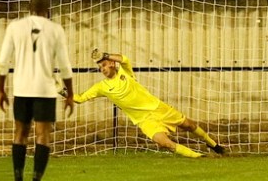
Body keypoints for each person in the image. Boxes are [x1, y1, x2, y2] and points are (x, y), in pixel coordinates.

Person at [74, 50, 225, 158]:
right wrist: (62, 91)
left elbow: (124, 59)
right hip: (144, 120)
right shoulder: (101, 87)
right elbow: (79, 98)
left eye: (105, 65)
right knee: (164, 143)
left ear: (112, 64)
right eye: (100, 67)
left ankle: (213, 144)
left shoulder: (125, 73)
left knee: (189, 125)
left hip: (158, 108)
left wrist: (105, 55)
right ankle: (198, 157)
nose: (103, 69)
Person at [0, 0, 75, 181]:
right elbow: (65, 66)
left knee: (20, 134)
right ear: (47, 9)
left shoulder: (15, 27)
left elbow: (3, 61)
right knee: (43, 136)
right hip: (45, 90)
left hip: (22, 89)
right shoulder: (55, 29)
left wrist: (0, 90)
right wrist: (70, 94)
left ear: (29, 8)